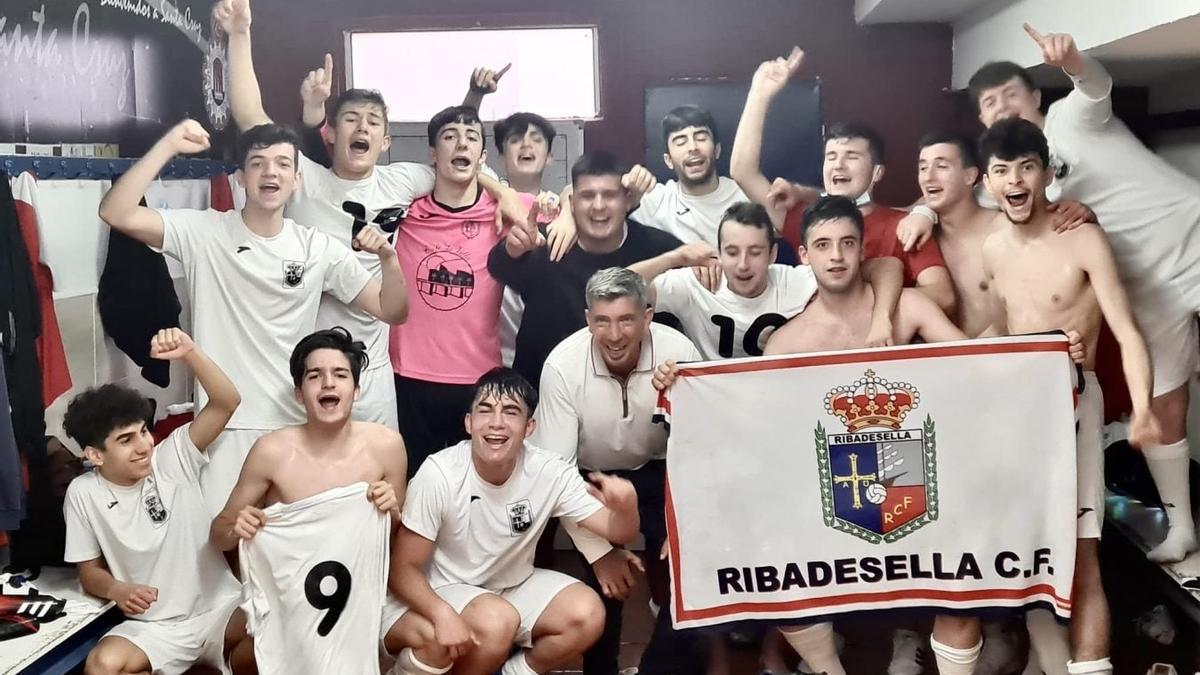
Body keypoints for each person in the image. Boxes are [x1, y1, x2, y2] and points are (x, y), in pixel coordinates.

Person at [216, 0, 537, 431]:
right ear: (331, 133)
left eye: (372, 121)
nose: (362, 128)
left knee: (379, 472)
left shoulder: (402, 182)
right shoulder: (302, 177)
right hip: (310, 355)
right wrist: (240, 35)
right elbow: (251, 118)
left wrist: (505, 193)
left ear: (385, 140)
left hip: (376, 362)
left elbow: (459, 155)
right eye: (350, 118)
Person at [961, 25, 1200, 564]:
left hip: (1193, 242)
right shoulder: (1020, 190)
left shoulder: (1072, 119)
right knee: (1165, 402)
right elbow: (968, 197)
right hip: (1146, 286)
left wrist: (1074, 62)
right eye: (989, 104)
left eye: (1011, 95)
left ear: (1037, 99)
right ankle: (1181, 526)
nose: (1002, 108)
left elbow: (1095, 88)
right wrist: (927, 210)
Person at [99, 120, 407, 514]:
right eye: (258, 163)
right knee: (222, 548)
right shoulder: (204, 232)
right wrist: (169, 144)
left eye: (282, 163)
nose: (270, 172)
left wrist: (388, 258)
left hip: (296, 424)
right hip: (223, 423)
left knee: (288, 552)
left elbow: (391, 310)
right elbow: (116, 211)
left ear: (296, 179)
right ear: (241, 177)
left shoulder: (317, 247)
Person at [979, 117, 1163, 675]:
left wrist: (1146, 409)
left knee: (1083, 558)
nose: (1015, 181)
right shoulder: (992, 249)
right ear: (986, 180)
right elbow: (997, 336)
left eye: (1027, 168)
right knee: (1023, 552)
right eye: (1002, 170)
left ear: (1045, 173)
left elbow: (1127, 330)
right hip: (1017, 413)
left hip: (1074, 405)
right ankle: (1046, 660)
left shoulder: (1081, 237)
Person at [382, 367, 641, 675]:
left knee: (587, 613)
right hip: (441, 588)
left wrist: (626, 507)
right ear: (469, 422)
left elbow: (617, 529)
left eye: (510, 412)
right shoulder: (440, 473)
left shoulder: (548, 470)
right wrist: (442, 614)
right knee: (496, 621)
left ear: (529, 427)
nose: (496, 423)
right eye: (485, 410)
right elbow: (403, 570)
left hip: (508, 586)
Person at [534, 267, 703, 675]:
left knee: (695, 571)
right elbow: (557, 474)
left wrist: (689, 523)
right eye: (602, 321)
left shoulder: (677, 351)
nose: (614, 335)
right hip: (590, 479)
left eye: (626, 319)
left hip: (663, 472)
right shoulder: (562, 366)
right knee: (603, 586)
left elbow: (704, 446)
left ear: (647, 317)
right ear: (588, 319)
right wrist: (601, 553)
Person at [210, 327, 407, 673]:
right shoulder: (272, 452)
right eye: (315, 376)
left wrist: (391, 509)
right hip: (287, 596)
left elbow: (392, 533)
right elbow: (219, 532)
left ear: (356, 390)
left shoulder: (386, 446)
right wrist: (238, 527)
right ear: (299, 394)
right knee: (256, 657)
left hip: (358, 594)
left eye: (340, 374)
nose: (328, 383)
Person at [63, 328, 250, 675]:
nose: (143, 445)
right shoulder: (83, 494)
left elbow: (227, 402)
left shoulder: (173, 456)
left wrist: (190, 351)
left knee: (275, 631)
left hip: (221, 610)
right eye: (126, 439)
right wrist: (116, 588)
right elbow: (89, 572)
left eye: (144, 432)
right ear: (95, 455)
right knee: (103, 665)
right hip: (154, 627)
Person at [730, 48, 956, 318]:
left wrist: (860, 302)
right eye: (831, 157)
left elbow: (943, 297)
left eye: (851, 157)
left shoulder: (904, 227)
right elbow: (743, 171)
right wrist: (760, 94)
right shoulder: (806, 217)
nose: (838, 165)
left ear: (877, 172)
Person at [386, 105, 547, 476]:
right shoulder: (404, 210)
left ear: (483, 156)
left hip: (478, 379)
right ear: (432, 154)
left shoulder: (505, 210)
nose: (461, 143)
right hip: (409, 375)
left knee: (475, 492)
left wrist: (563, 210)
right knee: (416, 487)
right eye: (449, 137)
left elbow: (571, 201)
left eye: (472, 137)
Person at [488, 151, 684, 387]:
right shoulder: (544, 243)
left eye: (610, 195)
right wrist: (513, 248)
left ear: (627, 201)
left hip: (634, 397)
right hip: (543, 394)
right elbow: (498, 266)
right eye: (588, 196)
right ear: (571, 203)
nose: (598, 206)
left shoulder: (658, 248)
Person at [631, 201, 902, 360]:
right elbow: (621, 289)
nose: (743, 264)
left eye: (755, 252)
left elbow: (886, 266)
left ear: (772, 253)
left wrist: (882, 318)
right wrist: (675, 258)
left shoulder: (795, 279)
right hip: (713, 397)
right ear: (719, 252)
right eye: (732, 252)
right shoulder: (695, 283)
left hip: (774, 386)